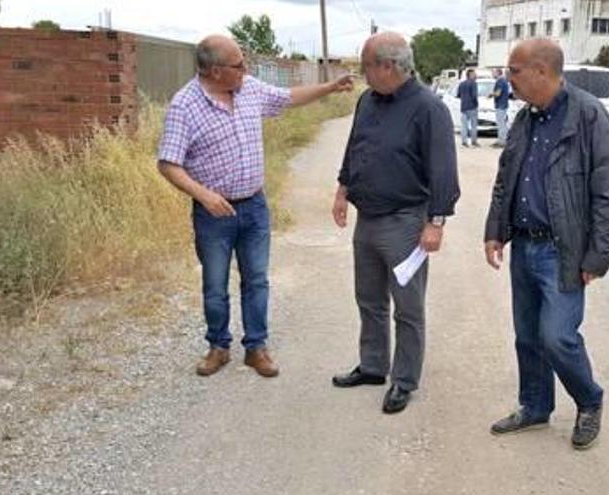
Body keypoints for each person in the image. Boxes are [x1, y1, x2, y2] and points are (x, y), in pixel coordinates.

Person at [156, 34, 353, 378]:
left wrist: (330, 87)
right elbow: (168, 163)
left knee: (257, 280)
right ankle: (218, 347)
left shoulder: (248, 89)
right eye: (238, 65)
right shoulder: (184, 105)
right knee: (215, 285)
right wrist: (204, 195)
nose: (245, 70)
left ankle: (256, 348)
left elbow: (288, 97)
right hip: (213, 214)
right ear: (216, 71)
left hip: (254, 207)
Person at [483, 38, 609, 449]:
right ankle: (534, 406)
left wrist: (599, 254)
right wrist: (495, 230)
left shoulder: (587, 116)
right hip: (524, 246)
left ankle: (589, 400)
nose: (507, 78)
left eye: (513, 70)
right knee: (527, 335)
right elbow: (505, 179)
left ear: (540, 72)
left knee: (557, 336)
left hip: (562, 249)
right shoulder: (526, 119)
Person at [331, 32, 460, 414]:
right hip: (367, 218)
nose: (362, 74)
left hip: (405, 222)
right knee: (369, 299)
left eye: (366, 66)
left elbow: (443, 170)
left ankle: (404, 380)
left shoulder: (429, 108)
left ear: (387, 66)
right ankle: (373, 366)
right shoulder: (367, 101)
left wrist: (436, 221)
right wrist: (342, 189)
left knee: (407, 306)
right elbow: (355, 146)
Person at [456, 69, 479, 147]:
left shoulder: (462, 84)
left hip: (463, 107)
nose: (475, 75)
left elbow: (458, 94)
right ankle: (474, 141)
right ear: (470, 75)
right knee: (473, 125)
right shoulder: (474, 83)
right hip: (472, 107)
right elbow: (474, 95)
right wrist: (476, 104)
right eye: (474, 74)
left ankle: (464, 141)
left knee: (464, 125)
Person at [490, 68, 511, 147]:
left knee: (501, 124)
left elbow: (498, 93)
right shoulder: (504, 81)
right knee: (503, 123)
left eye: (494, 73)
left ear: (498, 73)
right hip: (503, 104)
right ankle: (502, 139)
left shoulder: (500, 81)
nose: (492, 74)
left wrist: (491, 94)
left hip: (500, 105)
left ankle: (502, 141)